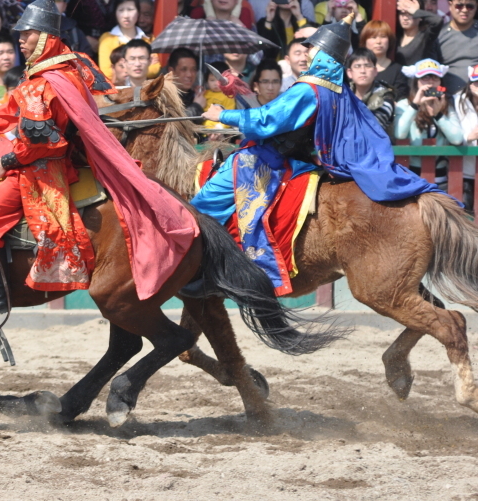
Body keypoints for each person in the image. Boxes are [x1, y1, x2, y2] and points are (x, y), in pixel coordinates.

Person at [0, 0, 198, 317]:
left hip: (40, 168)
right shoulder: (73, 64)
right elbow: (10, 106)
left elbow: (39, 142)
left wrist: (1, 162)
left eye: (27, 34)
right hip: (53, 157)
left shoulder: (45, 82)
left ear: (46, 37)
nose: (20, 41)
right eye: (20, 34)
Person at [190, 16, 449, 296]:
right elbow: (274, 114)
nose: (306, 52)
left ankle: (202, 274)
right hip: (293, 160)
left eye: (310, 48)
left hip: (264, 160)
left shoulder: (308, 88)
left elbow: (266, 120)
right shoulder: (335, 88)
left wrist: (222, 114)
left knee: (199, 207)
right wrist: (239, 90)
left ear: (322, 52)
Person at [395, 59, 463, 190]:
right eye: (425, 78)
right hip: (412, 173)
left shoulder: (446, 107)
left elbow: (457, 138)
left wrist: (438, 115)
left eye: (435, 78)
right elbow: (400, 134)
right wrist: (415, 105)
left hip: (440, 175)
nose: (431, 82)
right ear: (416, 82)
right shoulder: (405, 105)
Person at [97, 0, 146, 81]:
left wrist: (121, 68)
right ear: (115, 13)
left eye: (130, 9)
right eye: (121, 10)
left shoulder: (147, 40)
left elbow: (154, 70)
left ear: (138, 12)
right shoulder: (107, 39)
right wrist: (141, 68)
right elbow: (106, 72)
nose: (126, 15)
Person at [346, 47, 396, 137]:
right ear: (349, 73)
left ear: (375, 71)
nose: (362, 71)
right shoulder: (342, 94)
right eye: (357, 66)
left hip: (377, 147)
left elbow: (373, 127)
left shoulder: (385, 96)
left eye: (368, 66)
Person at [449, 63, 478, 209]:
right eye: (477, 83)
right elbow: (451, 135)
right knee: (466, 218)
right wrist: (470, 136)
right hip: (463, 171)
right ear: (470, 84)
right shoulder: (456, 101)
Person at [359, 20, 408, 100]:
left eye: (383, 36)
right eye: (373, 37)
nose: (378, 41)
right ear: (365, 41)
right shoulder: (355, 68)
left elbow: (400, 99)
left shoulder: (397, 70)